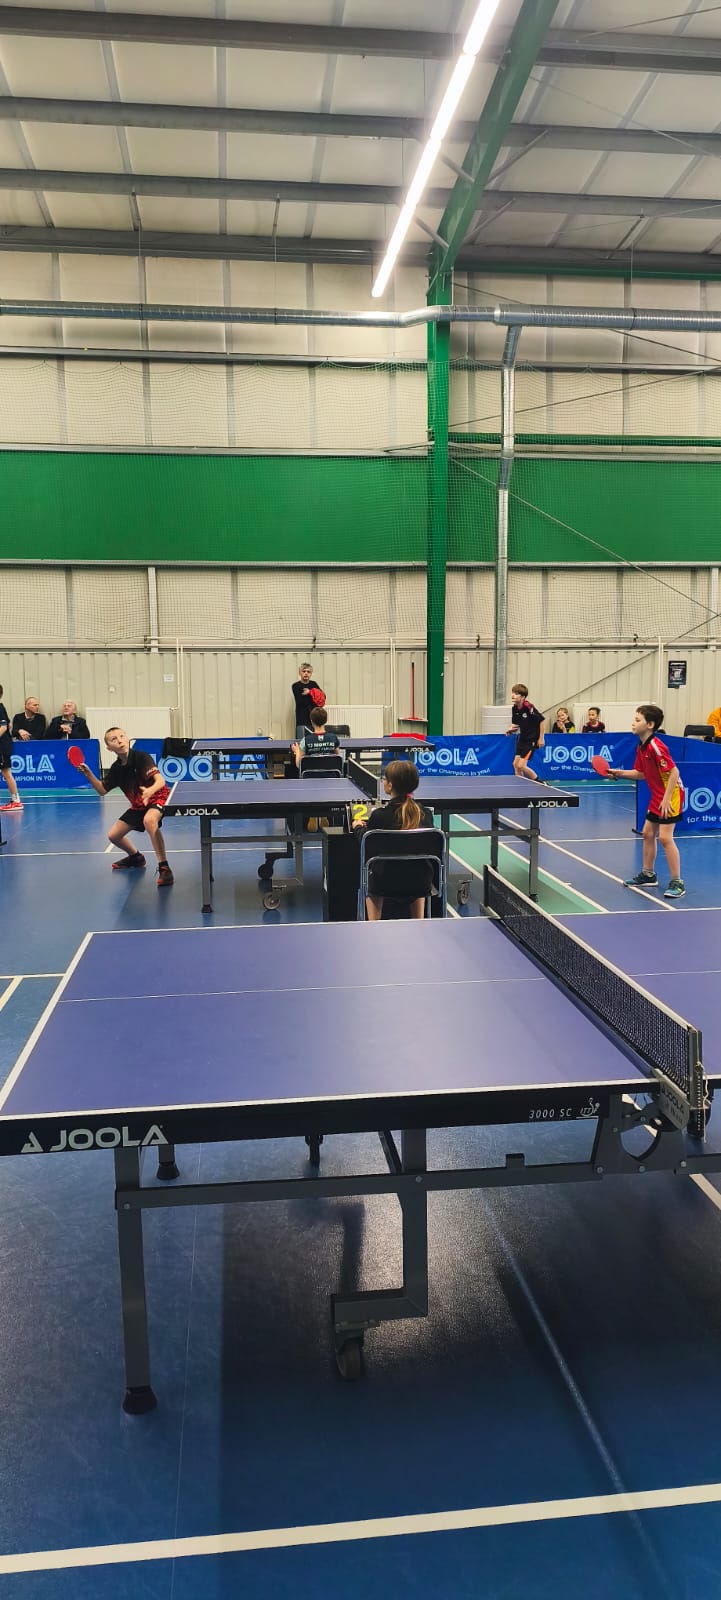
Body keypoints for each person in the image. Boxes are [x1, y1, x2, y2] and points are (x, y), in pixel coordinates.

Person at [76, 726, 174, 887]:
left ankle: (164, 867)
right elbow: (102, 790)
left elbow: (161, 781)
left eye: (122, 736)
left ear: (127, 739)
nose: (120, 740)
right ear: (109, 748)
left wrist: (149, 791)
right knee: (113, 835)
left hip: (158, 796)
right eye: (114, 739)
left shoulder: (141, 757)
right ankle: (136, 858)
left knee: (149, 821)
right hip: (139, 804)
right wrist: (88, 774)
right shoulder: (116, 769)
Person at [609, 704, 685, 899]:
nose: (633, 723)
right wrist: (619, 773)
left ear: (650, 725)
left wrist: (666, 799)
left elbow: (674, 772)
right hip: (658, 795)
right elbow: (640, 774)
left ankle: (677, 882)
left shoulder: (656, 747)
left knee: (665, 838)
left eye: (637, 720)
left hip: (671, 795)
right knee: (648, 834)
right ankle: (648, 874)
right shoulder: (641, 746)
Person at [353, 759, 434, 920]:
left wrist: (357, 827)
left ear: (390, 786)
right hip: (420, 883)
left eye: (385, 779)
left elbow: (367, 843)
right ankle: (419, 922)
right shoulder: (425, 814)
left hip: (385, 883)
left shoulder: (379, 816)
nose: (383, 781)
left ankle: (374, 925)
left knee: (373, 872)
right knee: (418, 865)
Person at [506, 683, 545, 781]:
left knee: (521, 766)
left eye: (516, 694)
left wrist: (541, 738)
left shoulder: (528, 707)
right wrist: (510, 730)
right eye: (512, 693)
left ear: (523, 697)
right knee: (515, 764)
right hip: (522, 738)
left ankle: (540, 782)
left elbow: (541, 720)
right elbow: (515, 724)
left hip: (531, 740)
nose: (513, 695)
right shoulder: (514, 708)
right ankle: (520, 785)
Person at [0, 686, 22, 809]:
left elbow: (3, 727)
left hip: (2, 746)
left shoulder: (0, 708)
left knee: (6, 773)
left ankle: (16, 801)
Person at [291, 663, 324, 739]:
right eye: (304, 671)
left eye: (308, 672)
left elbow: (322, 697)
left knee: (314, 740)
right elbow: (300, 701)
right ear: (300, 673)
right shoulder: (295, 686)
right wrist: (313, 695)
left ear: (311, 674)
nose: (306, 673)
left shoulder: (314, 684)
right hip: (302, 718)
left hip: (314, 719)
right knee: (301, 740)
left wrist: (310, 692)